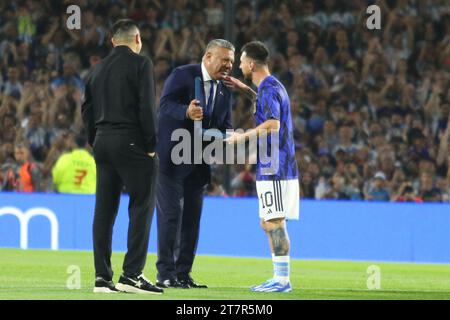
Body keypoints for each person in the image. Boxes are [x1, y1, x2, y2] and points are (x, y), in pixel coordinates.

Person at [81, 19, 161, 294]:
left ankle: (102, 278)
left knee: (104, 210)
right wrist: (151, 144)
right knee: (142, 204)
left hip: (102, 142)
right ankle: (132, 275)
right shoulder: (142, 64)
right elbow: (147, 107)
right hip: (131, 141)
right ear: (137, 39)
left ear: (113, 41)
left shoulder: (95, 70)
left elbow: (86, 111)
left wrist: (94, 140)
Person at [156, 39, 236, 289]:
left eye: (232, 61)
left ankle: (183, 273)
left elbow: (227, 125)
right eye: (225, 60)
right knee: (171, 216)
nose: (229, 65)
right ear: (208, 56)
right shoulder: (183, 75)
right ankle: (165, 273)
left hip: (199, 162)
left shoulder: (225, 89)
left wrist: (229, 139)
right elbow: (165, 105)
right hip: (171, 160)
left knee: (192, 220)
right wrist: (186, 112)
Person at [226, 41, 300, 293]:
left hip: (275, 165)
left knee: (275, 222)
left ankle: (282, 280)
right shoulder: (271, 86)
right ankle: (279, 277)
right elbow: (265, 104)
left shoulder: (269, 89)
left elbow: (273, 123)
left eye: (241, 61)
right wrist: (244, 89)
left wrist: (241, 137)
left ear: (251, 64)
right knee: (268, 222)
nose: (239, 65)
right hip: (274, 164)